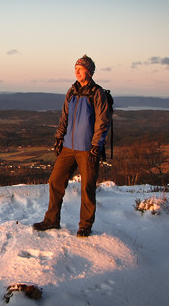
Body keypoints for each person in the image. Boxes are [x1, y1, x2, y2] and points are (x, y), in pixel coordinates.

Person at [33, 55, 111, 237]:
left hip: (87, 149)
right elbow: (64, 118)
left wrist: (96, 146)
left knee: (87, 187)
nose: (77, 71)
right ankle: (51, 220)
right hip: (68, 147)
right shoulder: (72, 92)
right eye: (75, 68)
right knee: (55, 181)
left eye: (80, 68)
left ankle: (85, 225)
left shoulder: (97, 93)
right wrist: (59, 138)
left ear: (89, 72)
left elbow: (103, 122)